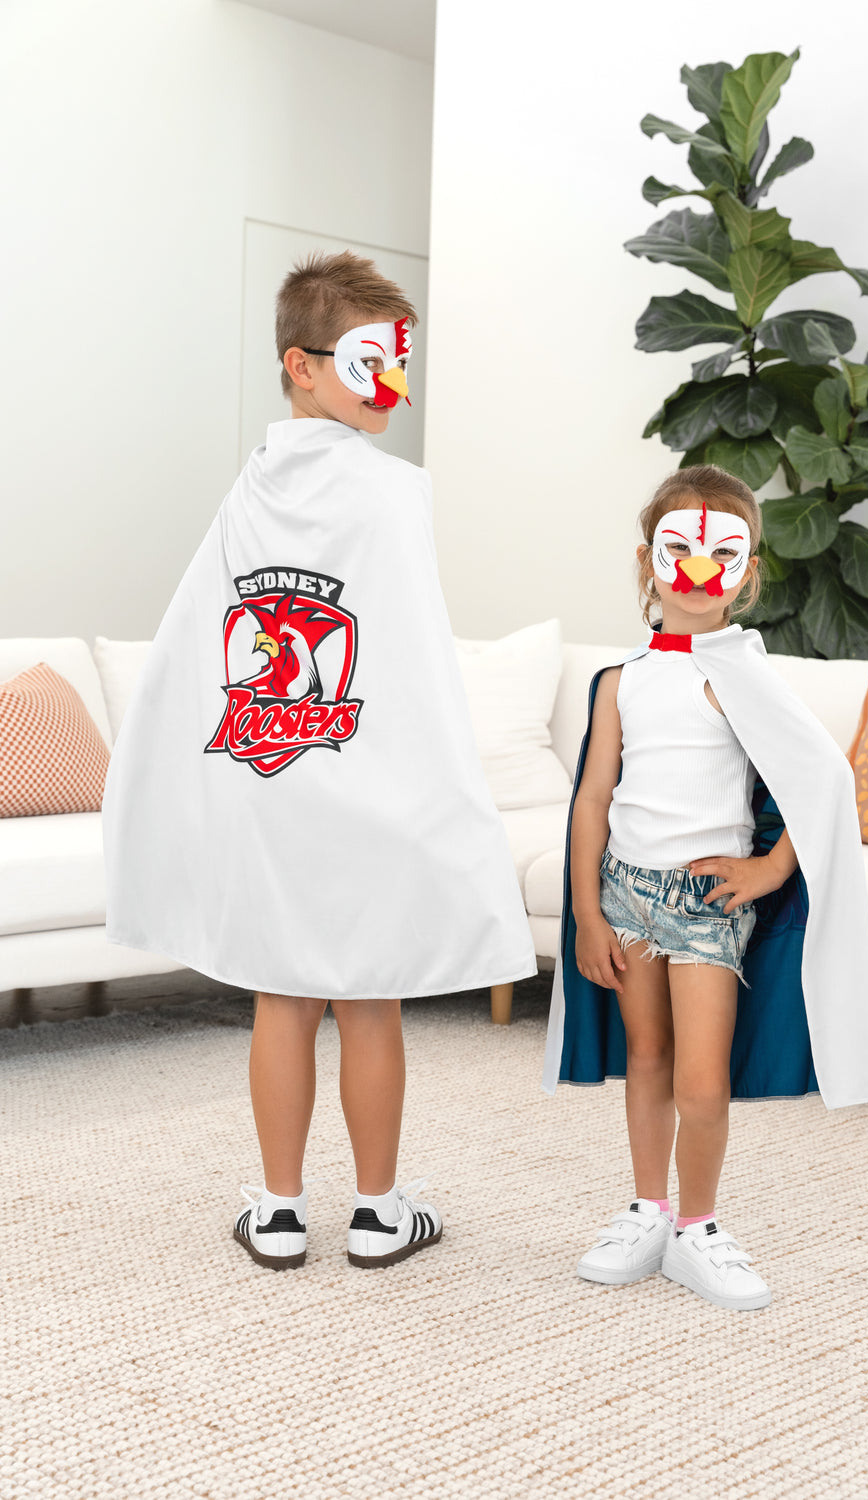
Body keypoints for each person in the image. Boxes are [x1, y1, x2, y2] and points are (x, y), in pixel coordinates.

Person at [102, 252, 535, 1271]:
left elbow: (196, 639)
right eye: (375, 360)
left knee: (282, 993)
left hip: (271, 783)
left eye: (401, 361)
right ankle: (380, 1212)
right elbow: (412, 656)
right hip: (364, 782)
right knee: (368, 995)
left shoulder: (248, 491)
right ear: (303, 365)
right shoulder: (395, 496)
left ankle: (281, 1210)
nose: (398, 385)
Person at [542, 464, 868, 1311]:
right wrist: (587, 911)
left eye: (723, 551)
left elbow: (824, 780)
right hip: (626, 898)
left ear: (750, 568)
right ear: (646, 561)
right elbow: (594, 795)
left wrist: (770, 869)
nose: (699, 569)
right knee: (646, 1061)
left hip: (705, 910)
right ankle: (648, 1211)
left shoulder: (744, 672)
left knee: (701, 1080)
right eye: (679, 548)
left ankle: (698, 1227)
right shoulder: (620, 680)